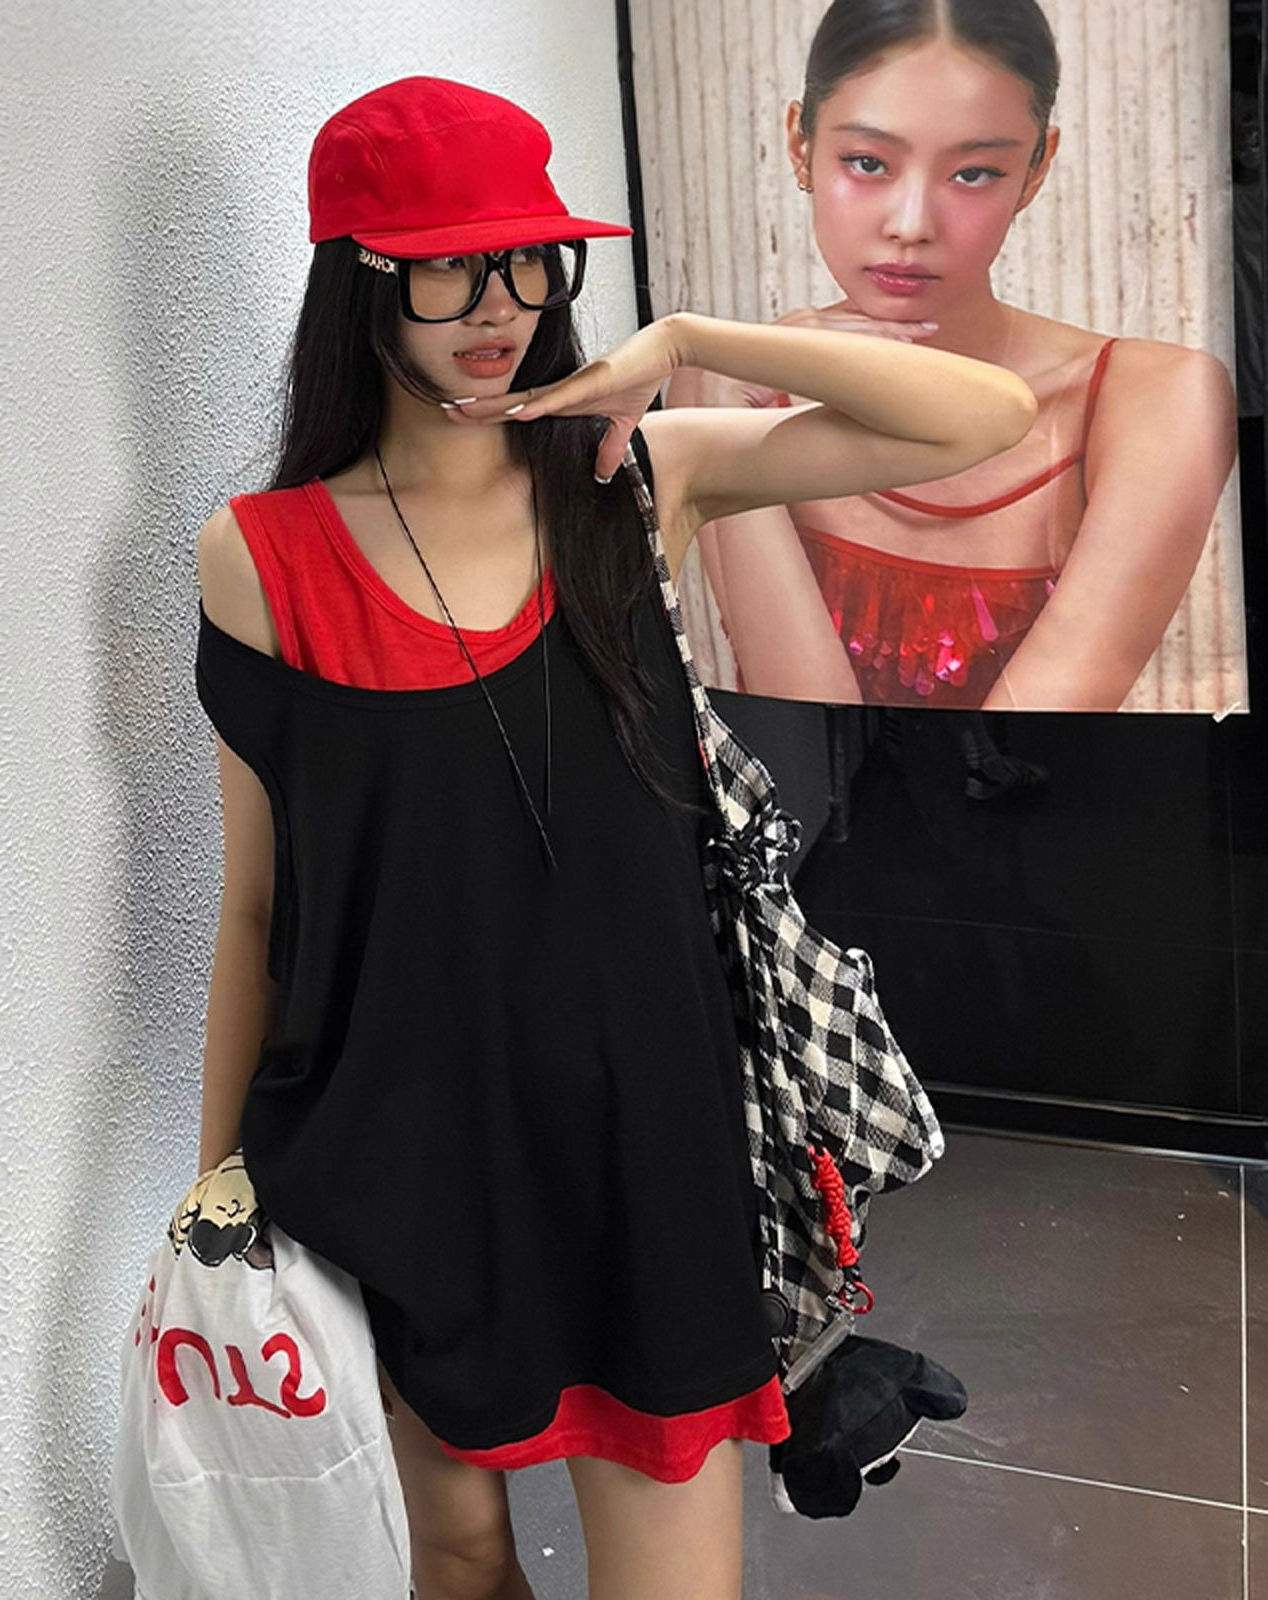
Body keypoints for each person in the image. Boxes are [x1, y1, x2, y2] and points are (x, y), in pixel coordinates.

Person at [193, 75, 1033, 1600]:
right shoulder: (263, 557)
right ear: (358, 279)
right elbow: (262, 907)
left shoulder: (633, 479)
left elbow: (981, 415)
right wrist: (217, 1195)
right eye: (451, 267)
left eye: (532, 260)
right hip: (400, 1157)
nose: (501, 306)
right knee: (457, 1565)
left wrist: (689, 340)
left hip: (647, 1144)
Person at [668, 0, 1238, 712]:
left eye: (973, 173)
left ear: (1035, 169)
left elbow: (1024, 750)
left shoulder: (1160, 399)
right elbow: (807, 742)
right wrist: (724, 391)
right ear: (800, 145)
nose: (911, 225)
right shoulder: (726, 388)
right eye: (868, 162)